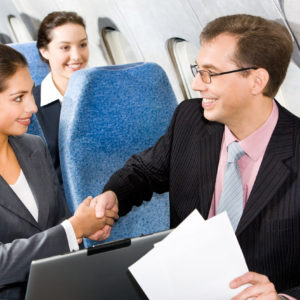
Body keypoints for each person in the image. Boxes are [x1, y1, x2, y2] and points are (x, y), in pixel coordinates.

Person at [92, 14, 300, 299]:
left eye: (209, 73)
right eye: (196, 69)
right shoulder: (190, 119)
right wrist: (115, 194)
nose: (196, 84)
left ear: (256, 80)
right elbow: (144, 171)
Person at [0, 44, 117, 299]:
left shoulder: (34, 147)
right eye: (19, 98)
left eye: (31, 93)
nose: (33, 106)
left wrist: (85, 229)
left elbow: (59, 224)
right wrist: (73, 230)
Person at [33, 11, 89, 187]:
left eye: (82, 45)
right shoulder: (30, 106)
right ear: (44, 51)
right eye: (65, 47)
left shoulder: (107, 97)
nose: (77, 56)